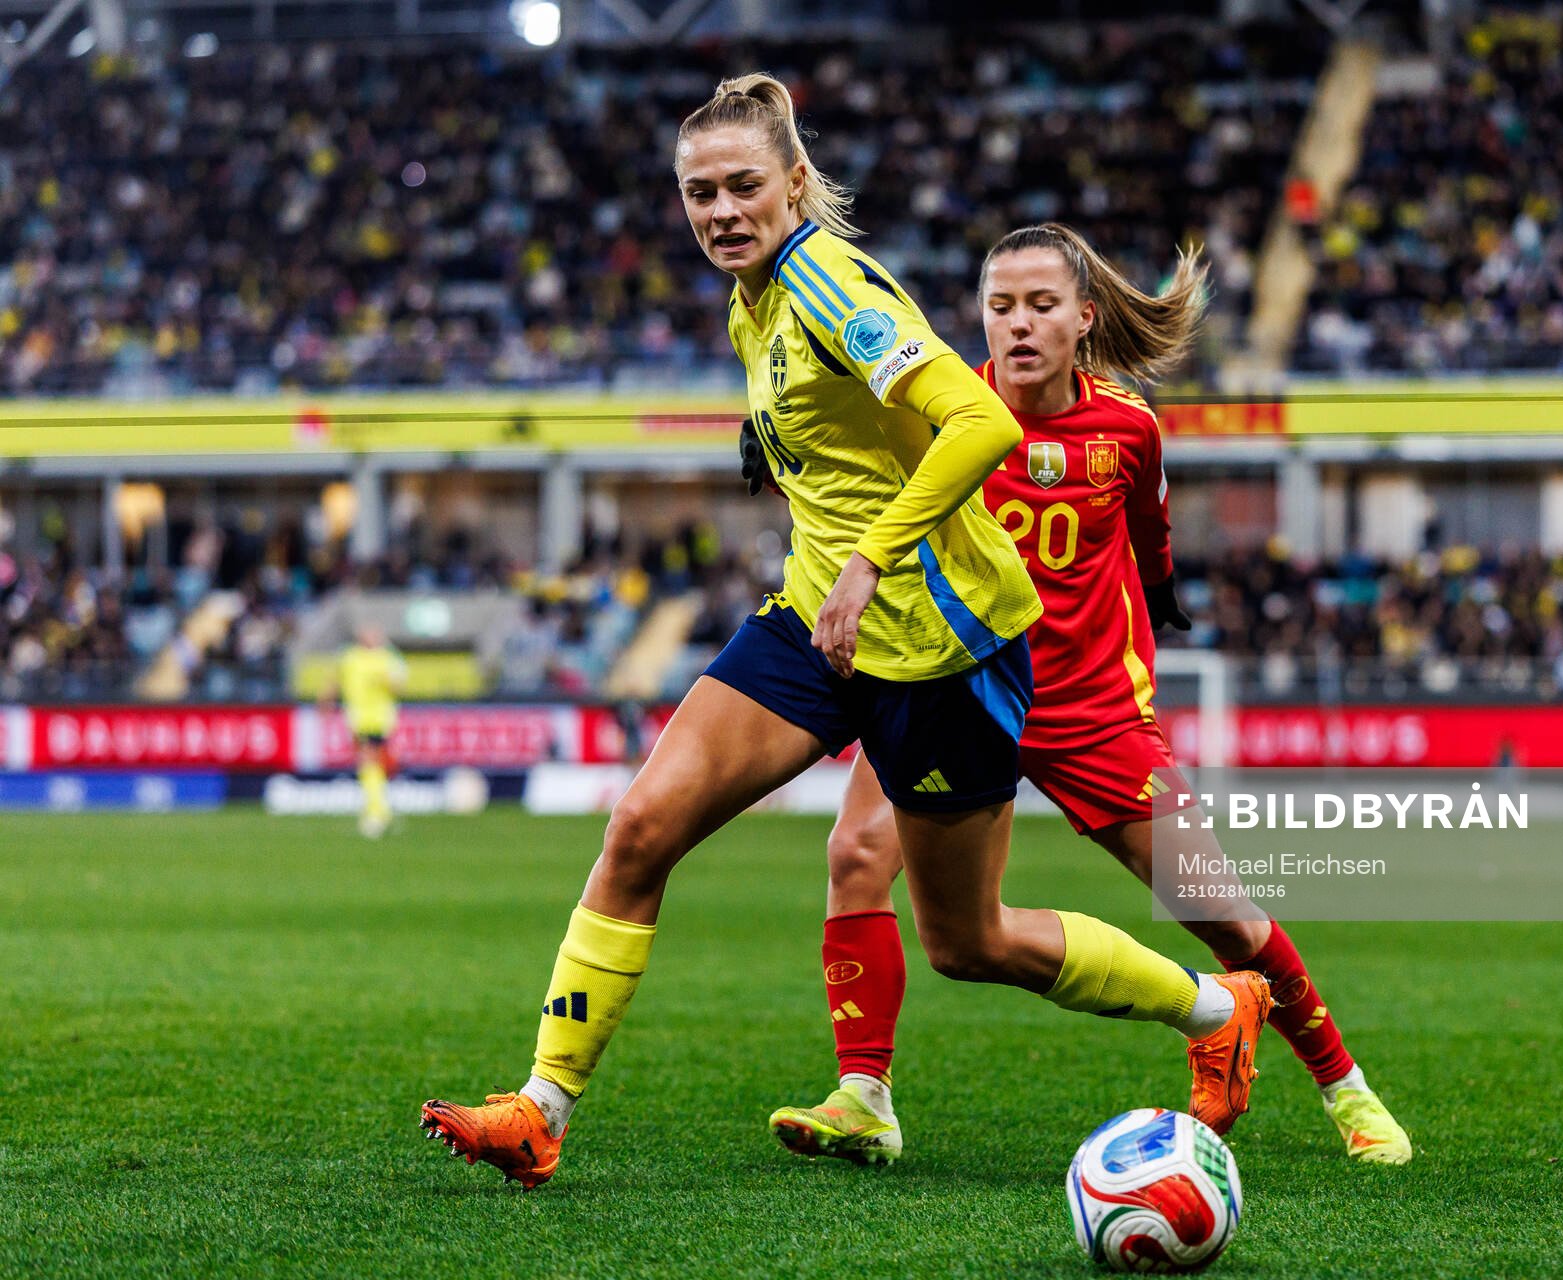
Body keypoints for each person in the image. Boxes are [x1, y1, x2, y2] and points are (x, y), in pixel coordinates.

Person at [420, 73, 1273, 1191]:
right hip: (817, 626)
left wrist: (872, 556)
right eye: (698, 193)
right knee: (640, 828)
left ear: (796, 184)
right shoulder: (753, 300)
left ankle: (1217, 1003)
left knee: (968, 942)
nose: (721, 211)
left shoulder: (827, 282)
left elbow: (971, 420)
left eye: (741, 186)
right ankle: (541, 1108)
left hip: (944, 642)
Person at [758, 224, 1412, 1168]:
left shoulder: (1130, 426)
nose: (1019, 325)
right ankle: (864, 1094)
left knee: (1218, 908)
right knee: (855, 851)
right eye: (1000, 307)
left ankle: (1347, 1090)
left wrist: (1164, 594)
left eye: (1041, 305)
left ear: (1084, 318)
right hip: (961, 683)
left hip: (1091, 706)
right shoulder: (939, 417)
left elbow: (1148, 530)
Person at [335, 623, 406, 839]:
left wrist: (385, 681)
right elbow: (338, 679)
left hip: (378, 719)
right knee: (370, 762)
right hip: (357, 718)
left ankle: (377, 811)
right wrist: (326, 698)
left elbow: (399, 687)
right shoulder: (351, 657)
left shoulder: (388, 659)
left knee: (370, 760)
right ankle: (377, 808)